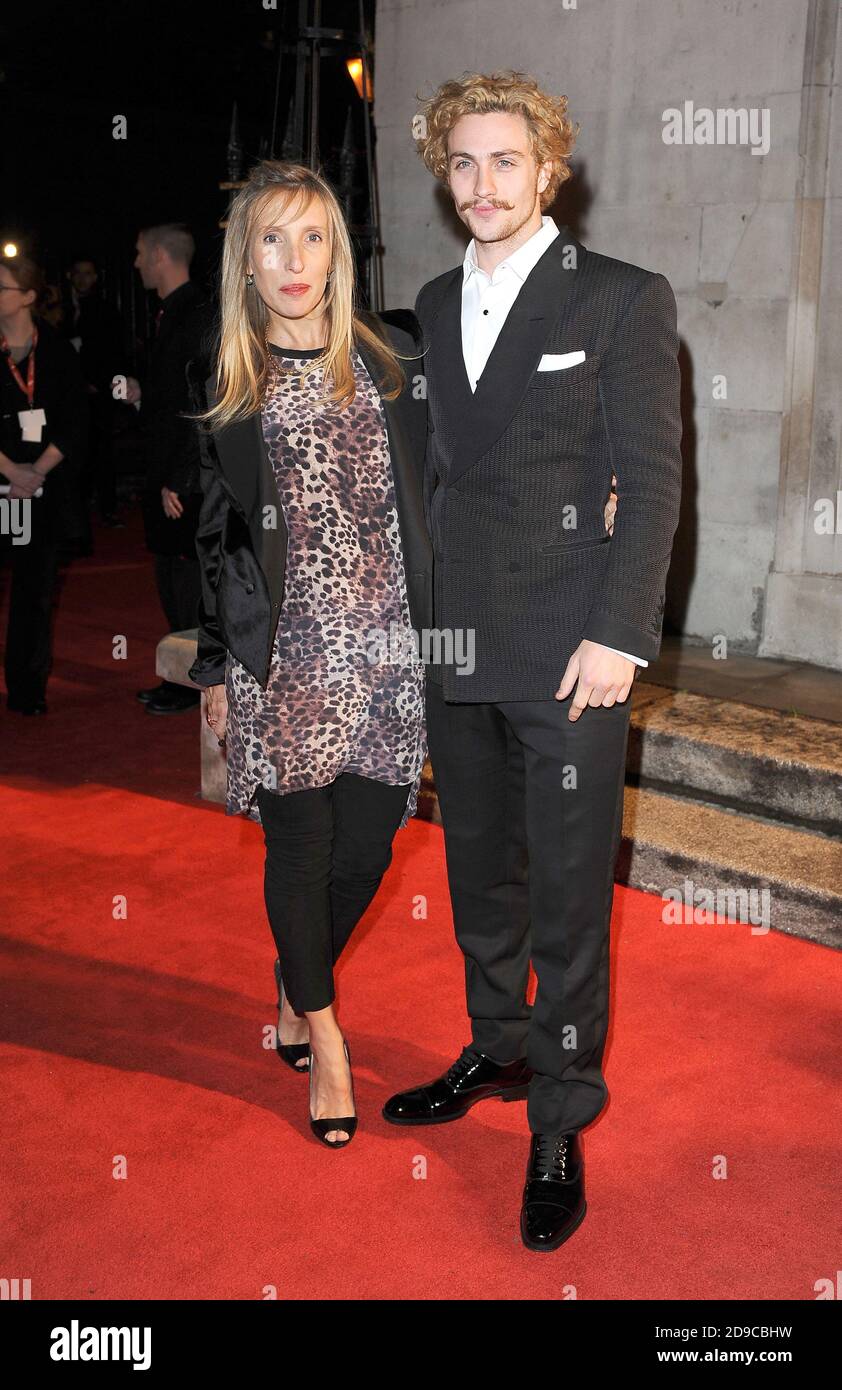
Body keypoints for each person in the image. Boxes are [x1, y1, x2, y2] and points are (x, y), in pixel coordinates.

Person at [383, 71, 683, 1252]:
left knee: (564, 897)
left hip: (569, 651)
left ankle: (558, 1113)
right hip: (459, 640)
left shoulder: (617, 298)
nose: (481, 185)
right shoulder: (424, 295)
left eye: (505, 161)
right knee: (479, 879)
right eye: (460, 163)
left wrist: (618, 633)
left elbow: (653, 484)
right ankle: (499, 1050)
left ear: (547, 169)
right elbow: (436, 474)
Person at [186, 160, 431, 1147]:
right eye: (272, 240)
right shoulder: (228, 388)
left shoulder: (395, 361)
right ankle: (322, 1035)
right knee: (303, 844)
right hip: (284, 658)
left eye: (313, 237)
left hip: (392, 654)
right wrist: (214, 666)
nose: (294, 261)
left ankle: (298, 979)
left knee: (368, 847)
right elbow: (217, 536)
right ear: (244, 261)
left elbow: (459, 475)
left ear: (338, 252)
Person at [128, 223, 215, 714]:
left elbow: (200, 404)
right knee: (169, 571)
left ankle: (190, 682)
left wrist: (179, 478)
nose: (136, 262)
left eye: (141, 252)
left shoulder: (195, 314)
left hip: (181, 476)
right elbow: (173, 395)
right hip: (166, 469)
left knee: (185, 577)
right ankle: (182, 677)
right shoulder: (170, 313)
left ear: (161, 255)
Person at [0, 254, 89, 714]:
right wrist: (11, 470)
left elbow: (76, 420)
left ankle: (27, 689)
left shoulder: (54, 349)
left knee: (35, 593)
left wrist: (37, 471)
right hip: (3, 484)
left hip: (43, 490)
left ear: (29, 297)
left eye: (2, 288)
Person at [63, 255, 126, 527]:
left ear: (96, 277)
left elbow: (111, 352)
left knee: (102, 452)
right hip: (68, 396)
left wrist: (97, 383)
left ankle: (106, 509)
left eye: (88, 273)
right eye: (78, 273)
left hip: (97, 394)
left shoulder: (104, 309)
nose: (82, 279)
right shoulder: (61, 310)